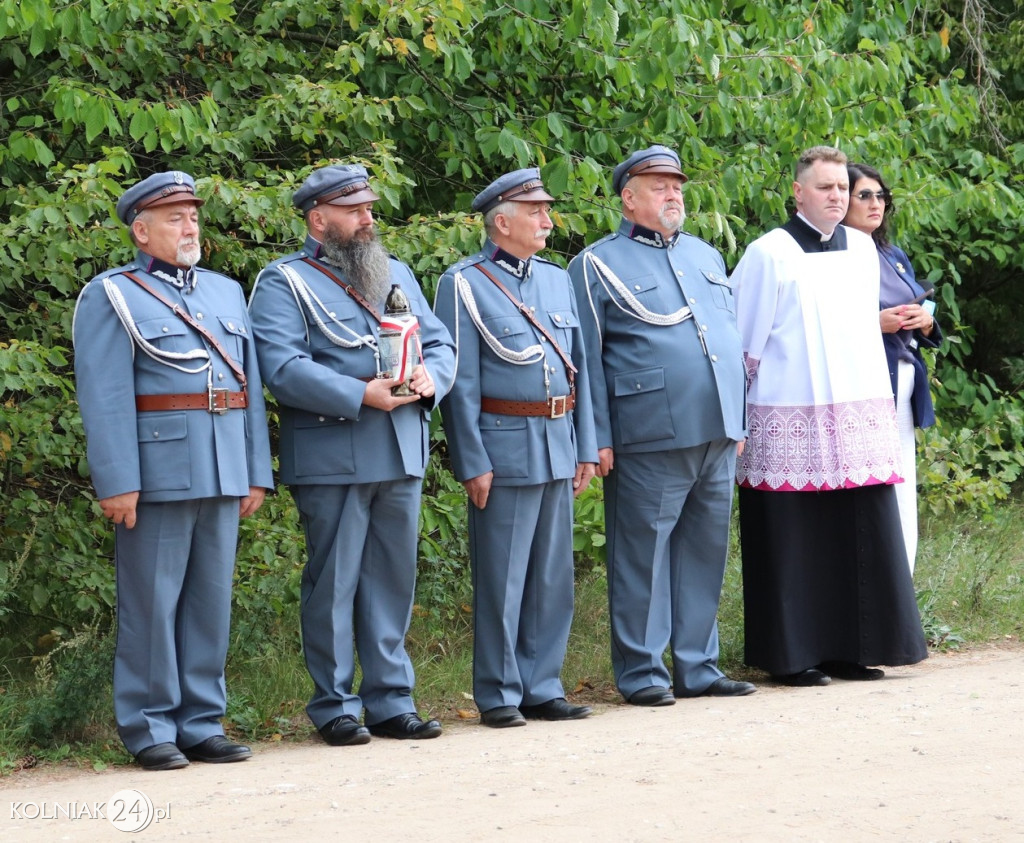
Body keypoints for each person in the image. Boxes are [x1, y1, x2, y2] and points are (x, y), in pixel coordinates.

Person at [248, 164, 455, 745]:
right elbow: (283, 369)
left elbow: (439, 343)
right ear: (320, 219)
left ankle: (391, 701)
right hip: (334, 450)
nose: (369, 219)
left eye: (369, 208)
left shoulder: (396, 273)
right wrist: (357, 394)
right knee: (334, 582)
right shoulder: (283, 282)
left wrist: (430, 378)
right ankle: (334, 705)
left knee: (392, 579)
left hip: (401, 449)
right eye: (355, 210)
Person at [73, 171, 273, 771]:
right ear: (141, 230)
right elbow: (104, 395)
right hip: (156, 471)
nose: (189, 227)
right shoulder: (112, 294)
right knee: (152, 603)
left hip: (222, 466)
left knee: (209, 600)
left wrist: (255, 469)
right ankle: (148, 725)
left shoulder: (224, 292)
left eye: (192, 216)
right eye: (174, 218)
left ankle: (201, 721)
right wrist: (118, 481)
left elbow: (250, 388)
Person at [730, 145, 928, 687]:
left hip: (856, 412)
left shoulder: (864, 250)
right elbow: (742, 344)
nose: (837, 197)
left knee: (856, 533)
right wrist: (736, 418)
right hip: (786, 414)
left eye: (842, 187)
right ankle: (793, 656)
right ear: (798, 192)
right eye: (825, 187)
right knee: (796, 540)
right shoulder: (768, 253)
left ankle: (854, 648)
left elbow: (861, 326)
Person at [567, 145, 754, 707]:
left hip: (717, 430)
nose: (672, 194)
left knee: (704, 552)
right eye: (658, 186)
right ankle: (643, 671)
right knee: (641, 556)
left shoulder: (706, 255)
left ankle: (697, 665)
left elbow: (725, 341)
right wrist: (594, 436)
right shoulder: (596, 264)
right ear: (628, 198)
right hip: (647, 431)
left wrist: (737, 415)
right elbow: (588, 356)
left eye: (676, 185)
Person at [434, 168, 598, 728]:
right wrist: (471, 459)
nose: (548, 221)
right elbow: (459, 383)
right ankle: (500, 692)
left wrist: (585, 444)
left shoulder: (556, 280)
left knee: (553, 577)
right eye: (536, 211)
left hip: (557, 440)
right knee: (502, 579)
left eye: (546, 210)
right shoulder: (464, 283)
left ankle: (542, 684)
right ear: (501, 221)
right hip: (503, 449)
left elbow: (582, 371)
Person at [843, 163, 942, 575]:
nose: (876, 203)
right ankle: (869, 592)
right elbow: (815, 327)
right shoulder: (833, 255)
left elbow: (925, 308)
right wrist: (873, 323)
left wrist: (927, 320)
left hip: (902, 378)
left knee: (901, 487)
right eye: (864, 195)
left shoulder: (892, 254)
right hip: (860, 384)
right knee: (869, 489)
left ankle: (903, 597)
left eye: (880, 195)